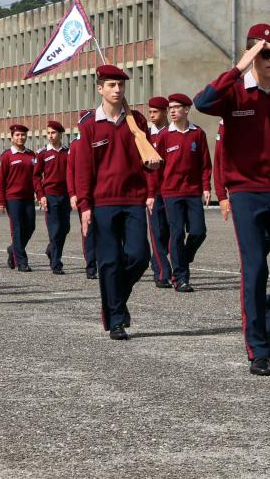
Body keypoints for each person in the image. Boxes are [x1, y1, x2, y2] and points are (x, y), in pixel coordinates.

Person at [194, 23, 270, 376]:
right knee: (255, 268)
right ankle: (258, 351)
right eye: (266, 52)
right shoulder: (233, 94)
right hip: (245, 193)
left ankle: (267, 313)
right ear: (253, 55)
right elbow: (202, 102)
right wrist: (239, 67)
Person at [74, 64, 160, 340]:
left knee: (139, 256)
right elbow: (83, 169)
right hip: (103, 203)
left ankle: (115, 301)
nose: (117, 89)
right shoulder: (89, 125)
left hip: (133, 199)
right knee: (109, 262)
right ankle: (116, 319)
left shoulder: (136, 122)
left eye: (121, 85)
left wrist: (151, 178)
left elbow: (146, 160)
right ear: (100, 88)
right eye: (111, 85)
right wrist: (85, 207)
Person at [150, 93, 211, 293]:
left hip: (193, 192)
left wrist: (206, 187)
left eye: (177, 107)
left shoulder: (198, 134)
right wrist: (151, 194)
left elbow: (205, 165)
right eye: (170, 108)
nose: (173, 111)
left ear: (187, 109)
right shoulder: (164, 135)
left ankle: (184, 256)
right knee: (176, 234)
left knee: (198, 232)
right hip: (170, 193)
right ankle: (180, 278)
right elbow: (155, 168)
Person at [0, 124, 36, 272]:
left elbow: (36, 177)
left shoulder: (31, 155)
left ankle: (13, 249)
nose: (21, 138)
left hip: (28, 197)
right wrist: (0, 200)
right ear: (12, 137)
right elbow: (1, 180)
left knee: (30, 227)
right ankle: (22, 262)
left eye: (23, 135)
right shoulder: (6, 156)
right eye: (18, 135)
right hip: (12, 198)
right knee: (17, 229)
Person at [33, 120, 69, 275]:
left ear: (60, 134)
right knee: (54, 230)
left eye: (53, 133)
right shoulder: (42, 153)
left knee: (65, 228)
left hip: (65, 195)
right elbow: (35, 176)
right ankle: (56, 263)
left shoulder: (67, 152)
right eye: (48, 133)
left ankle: (50, 250)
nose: (50, 136)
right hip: (50, 196)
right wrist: (41, 195)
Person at [67, 109, 97, 280]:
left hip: (102, 192)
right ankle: (91, 265)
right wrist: (73, 193)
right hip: (83, 193)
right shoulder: (76, 144)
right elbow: (70, 170)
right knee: (89, 229)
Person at [146, 97, 173, 289]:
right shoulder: (145, 136)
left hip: (172, 190)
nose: (151, 115)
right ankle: (161, 272)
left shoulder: (171, 133)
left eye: (155, 112)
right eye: (150, 112)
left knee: (170, 232)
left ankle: (157, 261)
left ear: (164, 112)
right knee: (156, 232)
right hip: (153, 192)